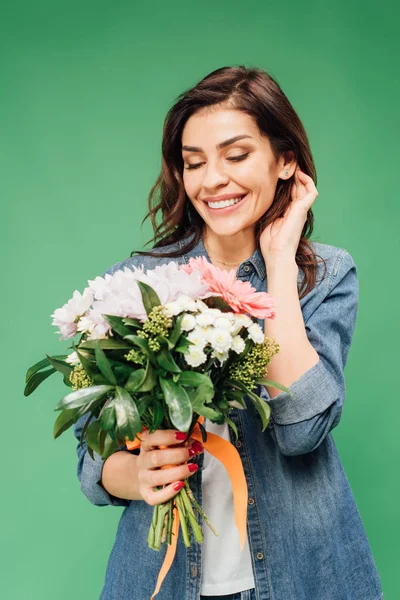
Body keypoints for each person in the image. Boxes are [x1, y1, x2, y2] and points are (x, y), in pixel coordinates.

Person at [73, 66, 384, 600]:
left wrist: (279, 261)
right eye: (194, 162)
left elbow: (301, 429)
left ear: (286, 160)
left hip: (302, 577)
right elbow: (93, 456)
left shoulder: (326, 276)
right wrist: (141, 475)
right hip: (162, 580)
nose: (211, 179)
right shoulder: (139, 285)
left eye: (236, 155)